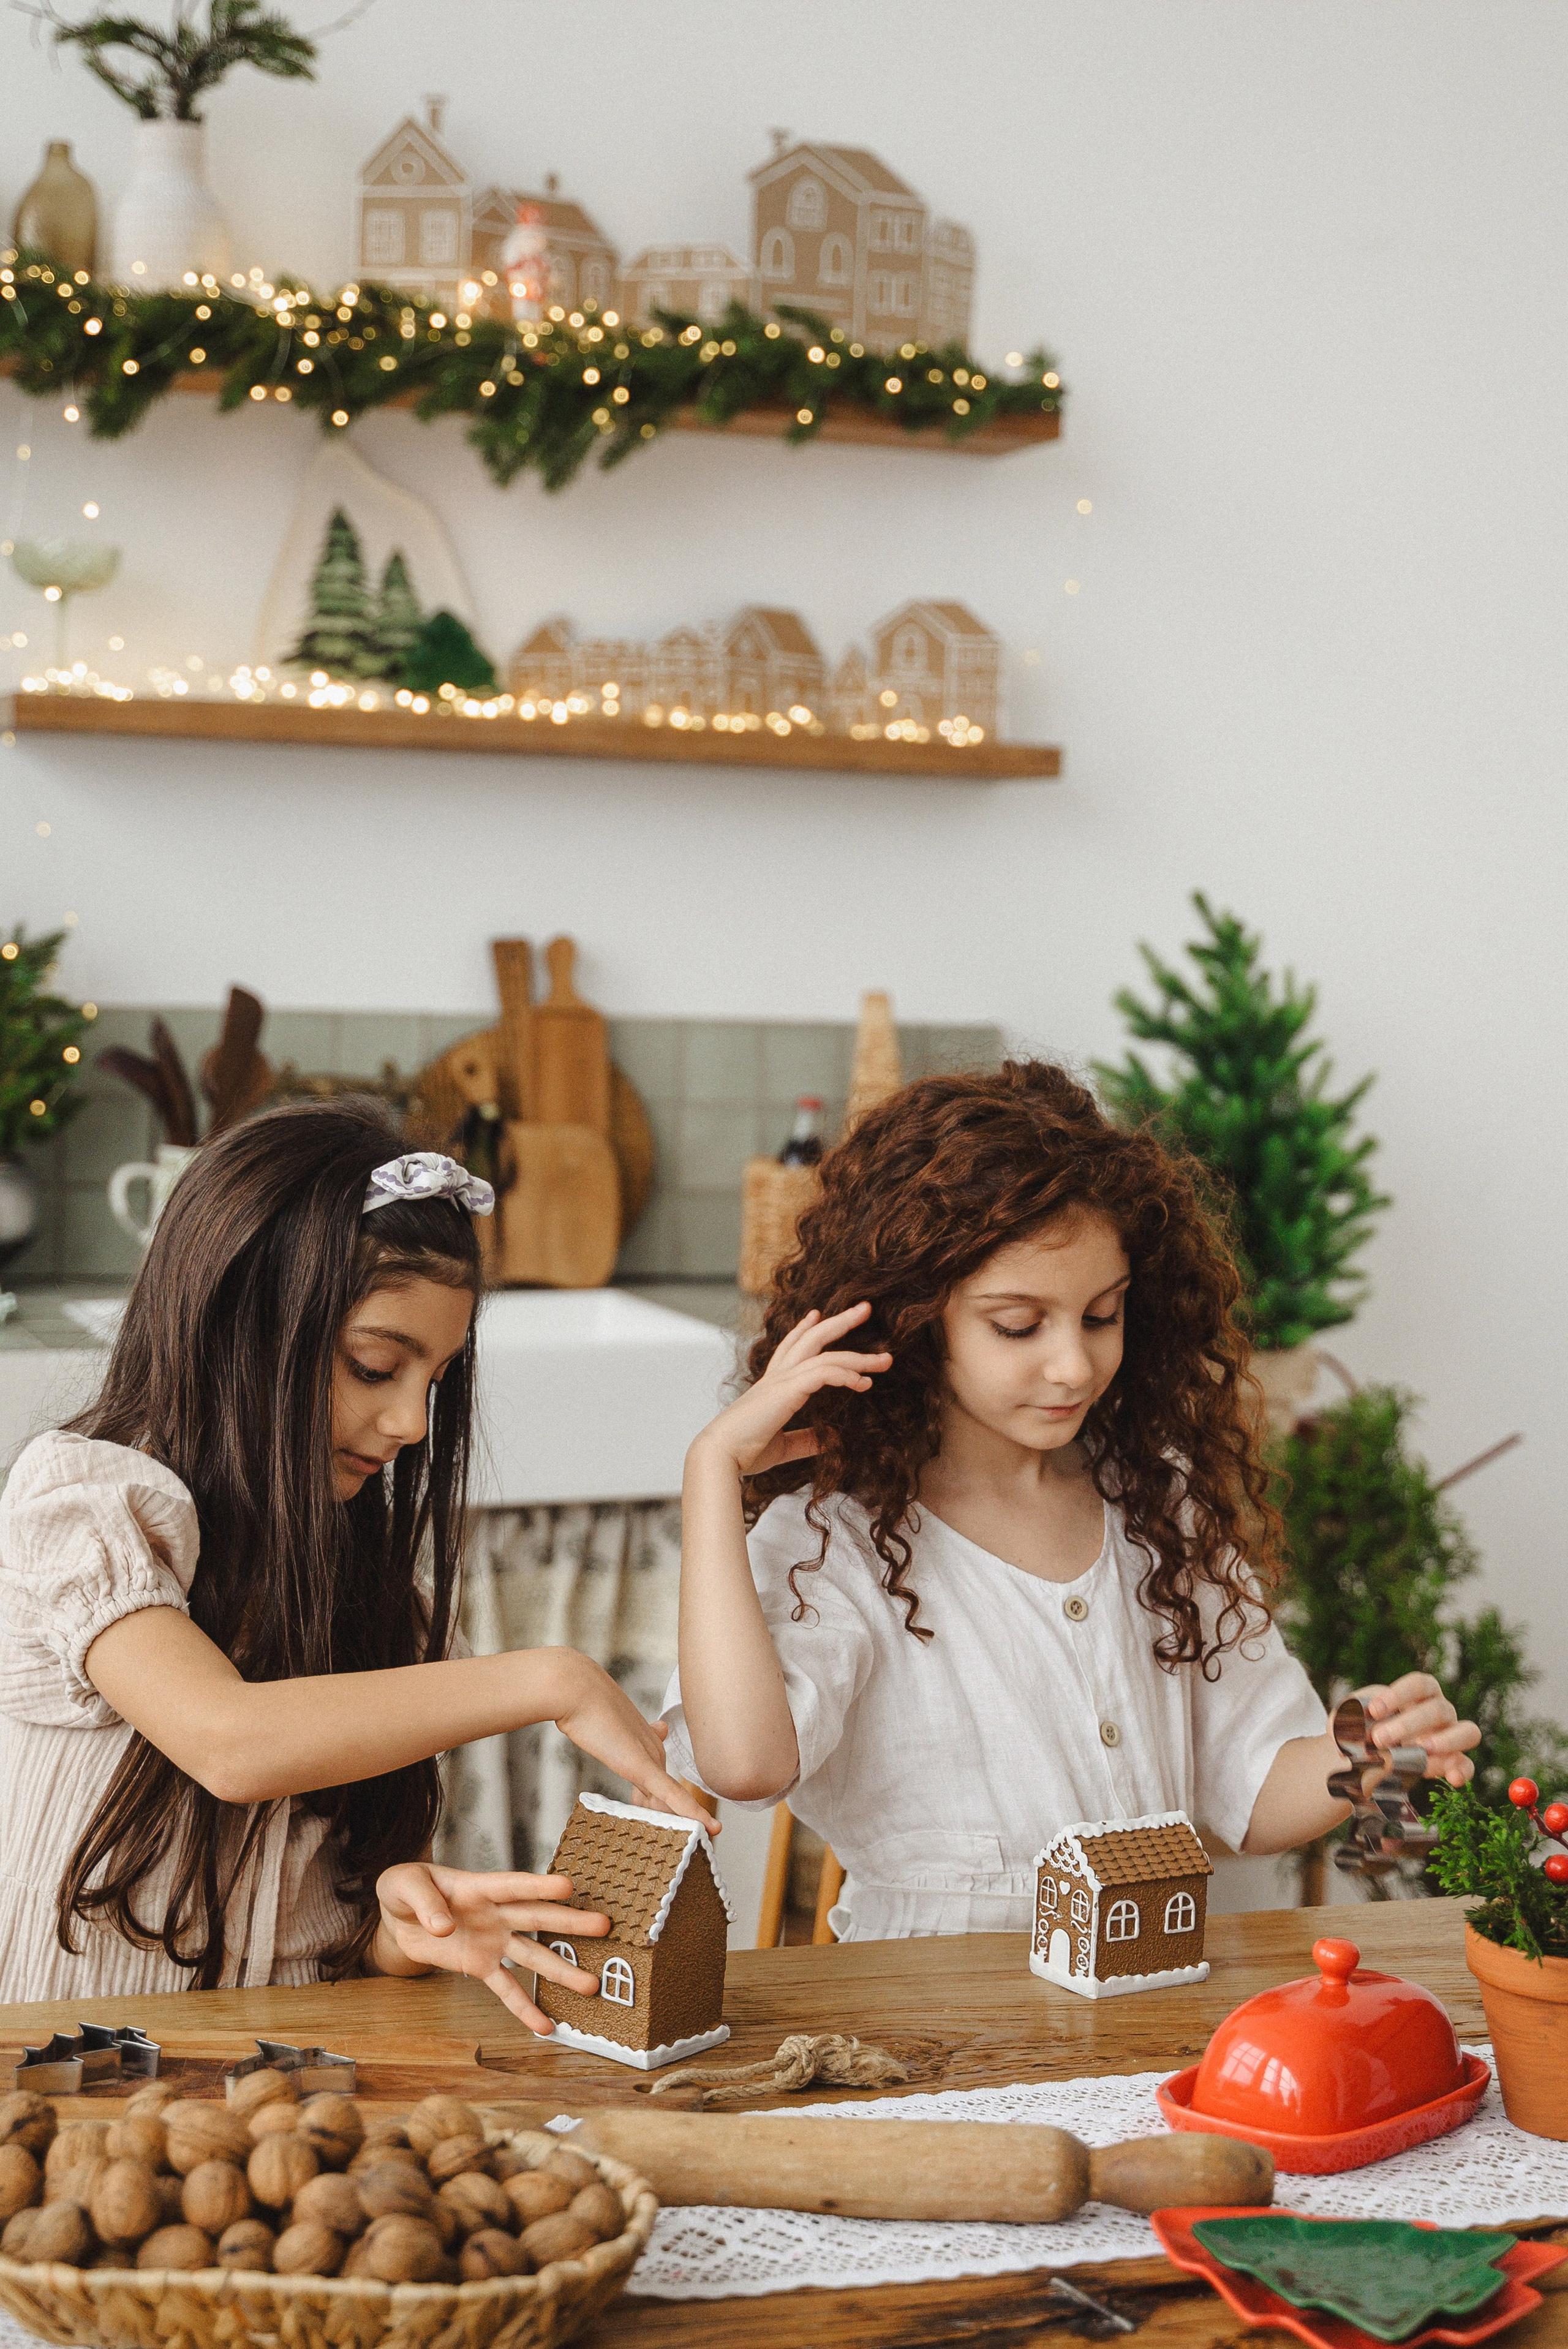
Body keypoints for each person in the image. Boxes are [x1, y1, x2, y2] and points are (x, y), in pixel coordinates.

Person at [668, 1061, 1477, 1941]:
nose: (1075, 1365)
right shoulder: (837, 1539)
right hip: (934, 2015)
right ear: (912, 1317)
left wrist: (1364, 1756)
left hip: (1152, 1989)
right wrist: (714, 1471)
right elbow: (745, 1765)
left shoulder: (1159, 1507)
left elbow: (1253, 1800)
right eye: (1018, 1326)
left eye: (1102, 1316)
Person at [0, 1101, 710, 2015]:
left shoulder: (376, 1601)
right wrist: (555, 1679)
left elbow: (321, 1931)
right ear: (239, 1324)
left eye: (436, 1381)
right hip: (72, 2087)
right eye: (376, 1366)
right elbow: (228, 1742)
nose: (413, 1425)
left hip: (287, 2089)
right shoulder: (85, 1508)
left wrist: (396, 1934)